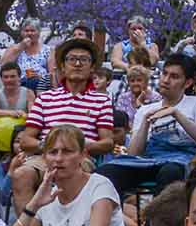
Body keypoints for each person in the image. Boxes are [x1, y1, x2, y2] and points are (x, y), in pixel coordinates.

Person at [8, 37, 116, 214]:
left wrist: (81, 147)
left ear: (92, 68)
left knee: (70, 171)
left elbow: (107, 143)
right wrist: (50, 147)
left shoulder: (102, 101)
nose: (78, 64)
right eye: (72, 59)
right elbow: (26, 140)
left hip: (80, 159)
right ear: (63, 67)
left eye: (84, 60)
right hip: (45, 158)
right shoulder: (45, 99)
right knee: (21, 174)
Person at [100, 53, 196, 201]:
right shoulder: (146, 110)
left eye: (174, 77)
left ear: (187, 83)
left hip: (183, 162)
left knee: (170, 172)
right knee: (105, 173)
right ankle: (113, 221)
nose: (166, 80)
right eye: (164, 74)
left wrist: (176, 114)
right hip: (149, 161)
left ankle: (158, 222)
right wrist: (146, 123)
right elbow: (133, 152)